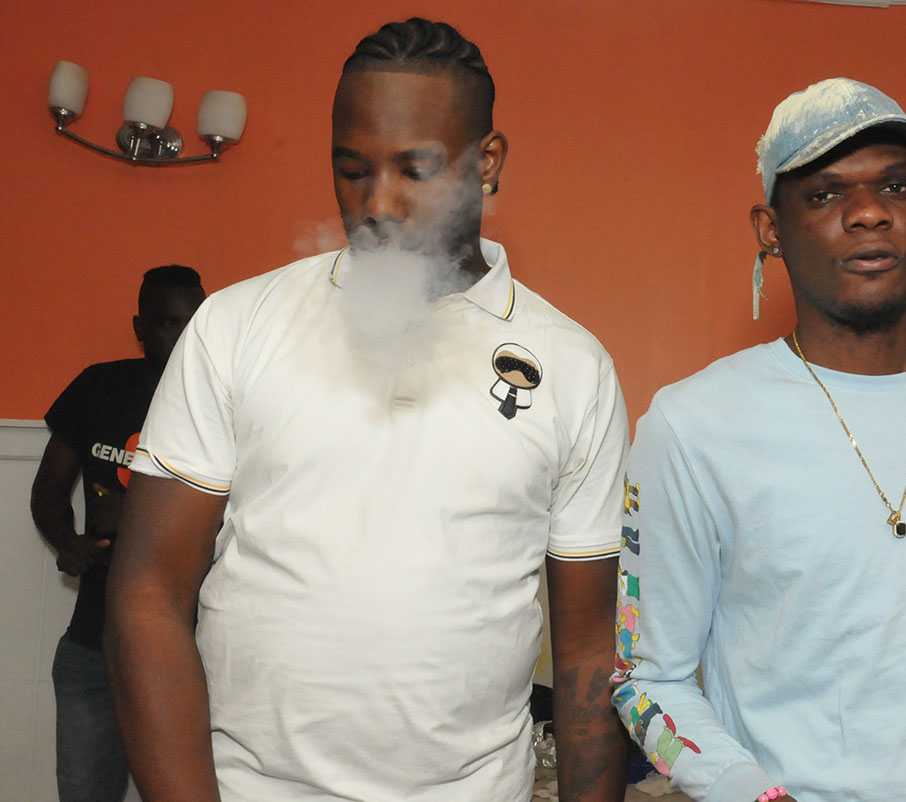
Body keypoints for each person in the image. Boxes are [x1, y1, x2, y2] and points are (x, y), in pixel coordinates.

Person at [104, 17, 627, 802]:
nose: (376, 202)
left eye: (415, 170)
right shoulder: (236, 326)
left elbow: (588, 656)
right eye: (351, 169)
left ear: (487, 162)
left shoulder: (573, 366)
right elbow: (146, 599)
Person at [611, 78, 906, 802]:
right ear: (770, 230)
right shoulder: (692, 427)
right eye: (824, 194)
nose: (870, 212)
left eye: (896, 186)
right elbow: (644, 679)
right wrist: (748, 792)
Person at [30, 265, 205, 802]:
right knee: (85, 792)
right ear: (139, 326)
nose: (183, 336)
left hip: (195, 648)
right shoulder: (100, 387)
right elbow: (49, 488)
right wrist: (67, 542)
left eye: (194, 322)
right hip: (94, 644)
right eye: (167, 323)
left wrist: (136, 520)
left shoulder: (225, 399)